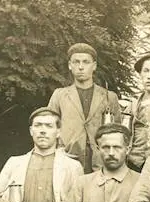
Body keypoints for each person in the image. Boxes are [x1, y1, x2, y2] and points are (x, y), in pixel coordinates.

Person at [47, 43, 121, 174]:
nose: (80, 67)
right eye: (76, 62)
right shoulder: (59, 95)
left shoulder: (109, 97)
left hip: (100, 163)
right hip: (68, 160)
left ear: (94, 66)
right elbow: (49, 128)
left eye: (86, 62)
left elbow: (117, 133)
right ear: (70, 65)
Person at [72, 124, 141, 202]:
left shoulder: (140, 181)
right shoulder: (83, 183)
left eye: (117, 147)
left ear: (128, 149)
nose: (111, 153)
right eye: (106, 147)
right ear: (98, 149)